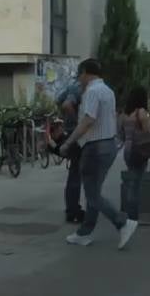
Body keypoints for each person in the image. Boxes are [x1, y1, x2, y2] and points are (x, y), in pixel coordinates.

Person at [60, 58, 137, 249]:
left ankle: (122, 222)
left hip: (94, 147)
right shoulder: (107, 90)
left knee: (93, 195)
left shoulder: (92, 92)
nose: (79, 79)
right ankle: (84, 232)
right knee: (93, 192)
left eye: (80, 74)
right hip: (108, 145)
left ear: (86, 72)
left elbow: (88, 120)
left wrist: (69, 142)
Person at [118, 86, 150, 222]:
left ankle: (130, 214)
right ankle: (133, 218)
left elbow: (120, 133)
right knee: (136, 184)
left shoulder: (124, 115)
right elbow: (147, 132)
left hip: (127, 147)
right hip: (139, 149)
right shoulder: (141, 113)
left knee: (132, 179)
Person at [56, 80, 84, 223]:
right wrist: (75, 123)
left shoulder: (69, 86)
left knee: (74, 172)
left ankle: (71, 208)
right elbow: (67, 104)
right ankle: (73, 210)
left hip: (70, 133)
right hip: (76, 135)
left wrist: (65, 121)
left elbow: (59, 101)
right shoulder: (78, 88)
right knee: (76, 174)